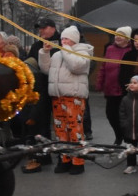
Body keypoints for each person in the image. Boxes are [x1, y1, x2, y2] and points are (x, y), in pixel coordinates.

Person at [38, 25, 93, 175]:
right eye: (62, 38)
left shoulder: (84, 51)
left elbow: (76, 66)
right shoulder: (58, 54)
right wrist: (45, 52)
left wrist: (65, 51)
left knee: (74, 129)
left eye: (66, 38)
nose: (63, 41)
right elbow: (46, 69)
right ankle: (64, 159)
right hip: (58, 96)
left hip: (73, 96)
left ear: (74, 39)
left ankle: (78, 161)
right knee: (60, 129)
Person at [21, 17, 63, 173]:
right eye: (39, 28)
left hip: (59, 87)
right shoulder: (36, 45)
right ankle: (43, 156)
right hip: (42, 89)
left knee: (62, 125)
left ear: (52, 28)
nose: (41, 31)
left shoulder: (62, 42)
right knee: (41, 123)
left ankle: (63, 157)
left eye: (44, 28)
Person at [95, 26, 133, 145]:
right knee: (111, 115)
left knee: (124, 116)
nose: (117, 37)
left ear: (127, 38)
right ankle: (119, 135)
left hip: (124, 89)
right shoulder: (110, 49)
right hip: (110, 88)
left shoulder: (131, 50)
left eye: (121, 35)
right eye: (116, 35)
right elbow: (103, 67)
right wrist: (100, 82)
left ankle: (127, 139)